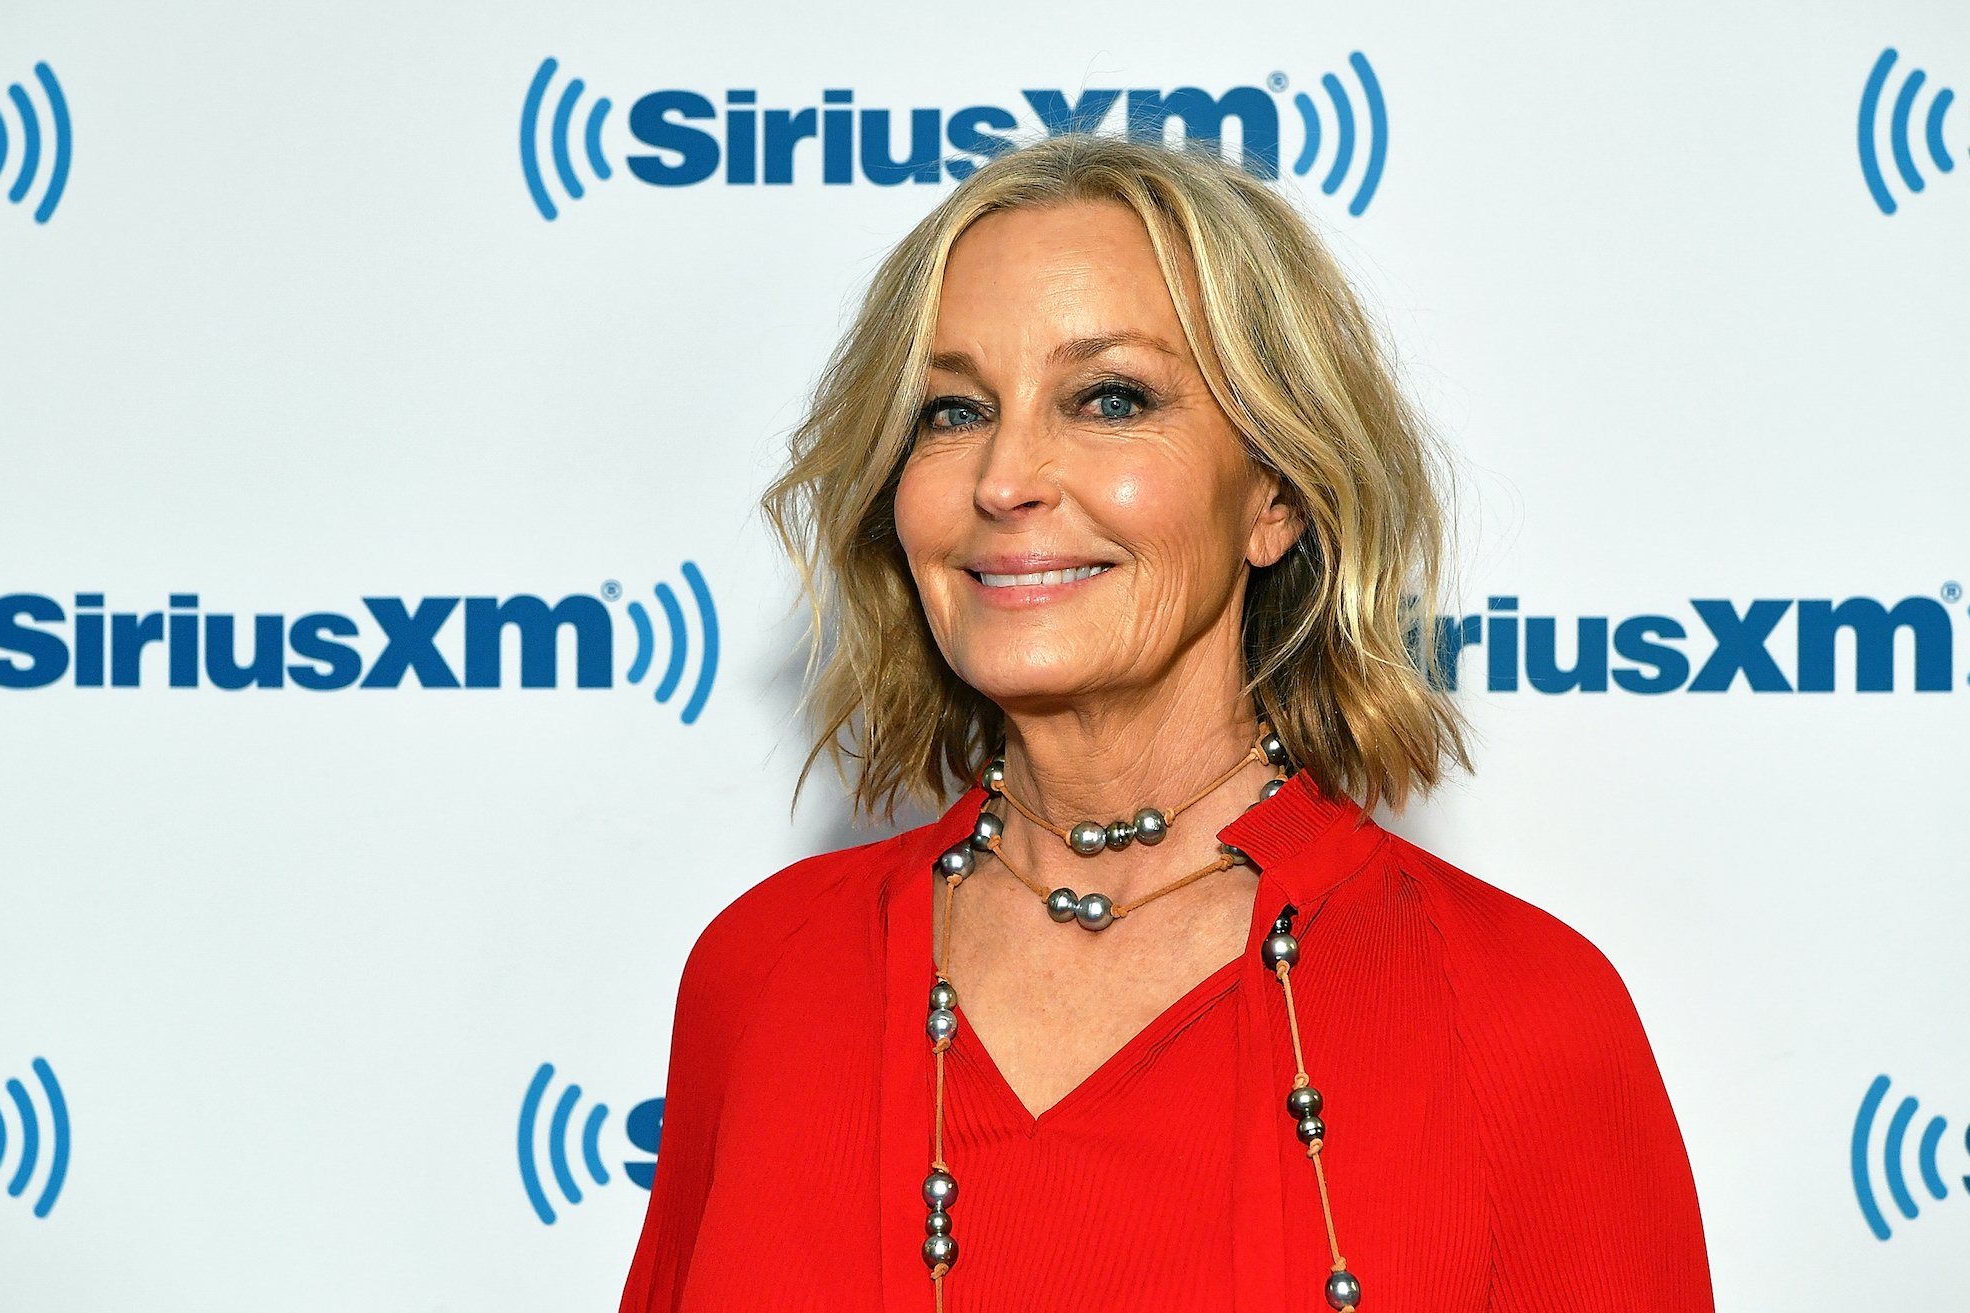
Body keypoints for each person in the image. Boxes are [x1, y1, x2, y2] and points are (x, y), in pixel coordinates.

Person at [616, 132, 1713, 1312]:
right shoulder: (765, 975)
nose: (1004, 476)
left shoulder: (1518, 1013)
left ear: (1276, 493)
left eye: (1109, 398)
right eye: (950, 410)